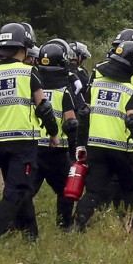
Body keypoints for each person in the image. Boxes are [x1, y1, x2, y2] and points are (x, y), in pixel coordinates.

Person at [0, 23, 61, 248]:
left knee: (20, 189)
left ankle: (31, 237)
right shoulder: (29, 72)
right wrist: (52, 133)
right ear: (24, 47)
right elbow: (44, 108)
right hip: (23, 141)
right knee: (18, 189)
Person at [73, 40, 133, 233]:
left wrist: (80, 144)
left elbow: (84, 115)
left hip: (96, 146)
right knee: (132, 187)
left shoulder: (96, 85)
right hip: (121, 148)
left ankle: (81, 218)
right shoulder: (128, 91)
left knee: (94, 189)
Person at [32, 41, 78, 230]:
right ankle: (64, 223)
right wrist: (75, 149)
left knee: (27, 189)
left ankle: (17, 222)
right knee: (66, 190)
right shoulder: (63, 92)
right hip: (57, 149)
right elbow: (71, 122)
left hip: (34, 146)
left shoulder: (33, 88)